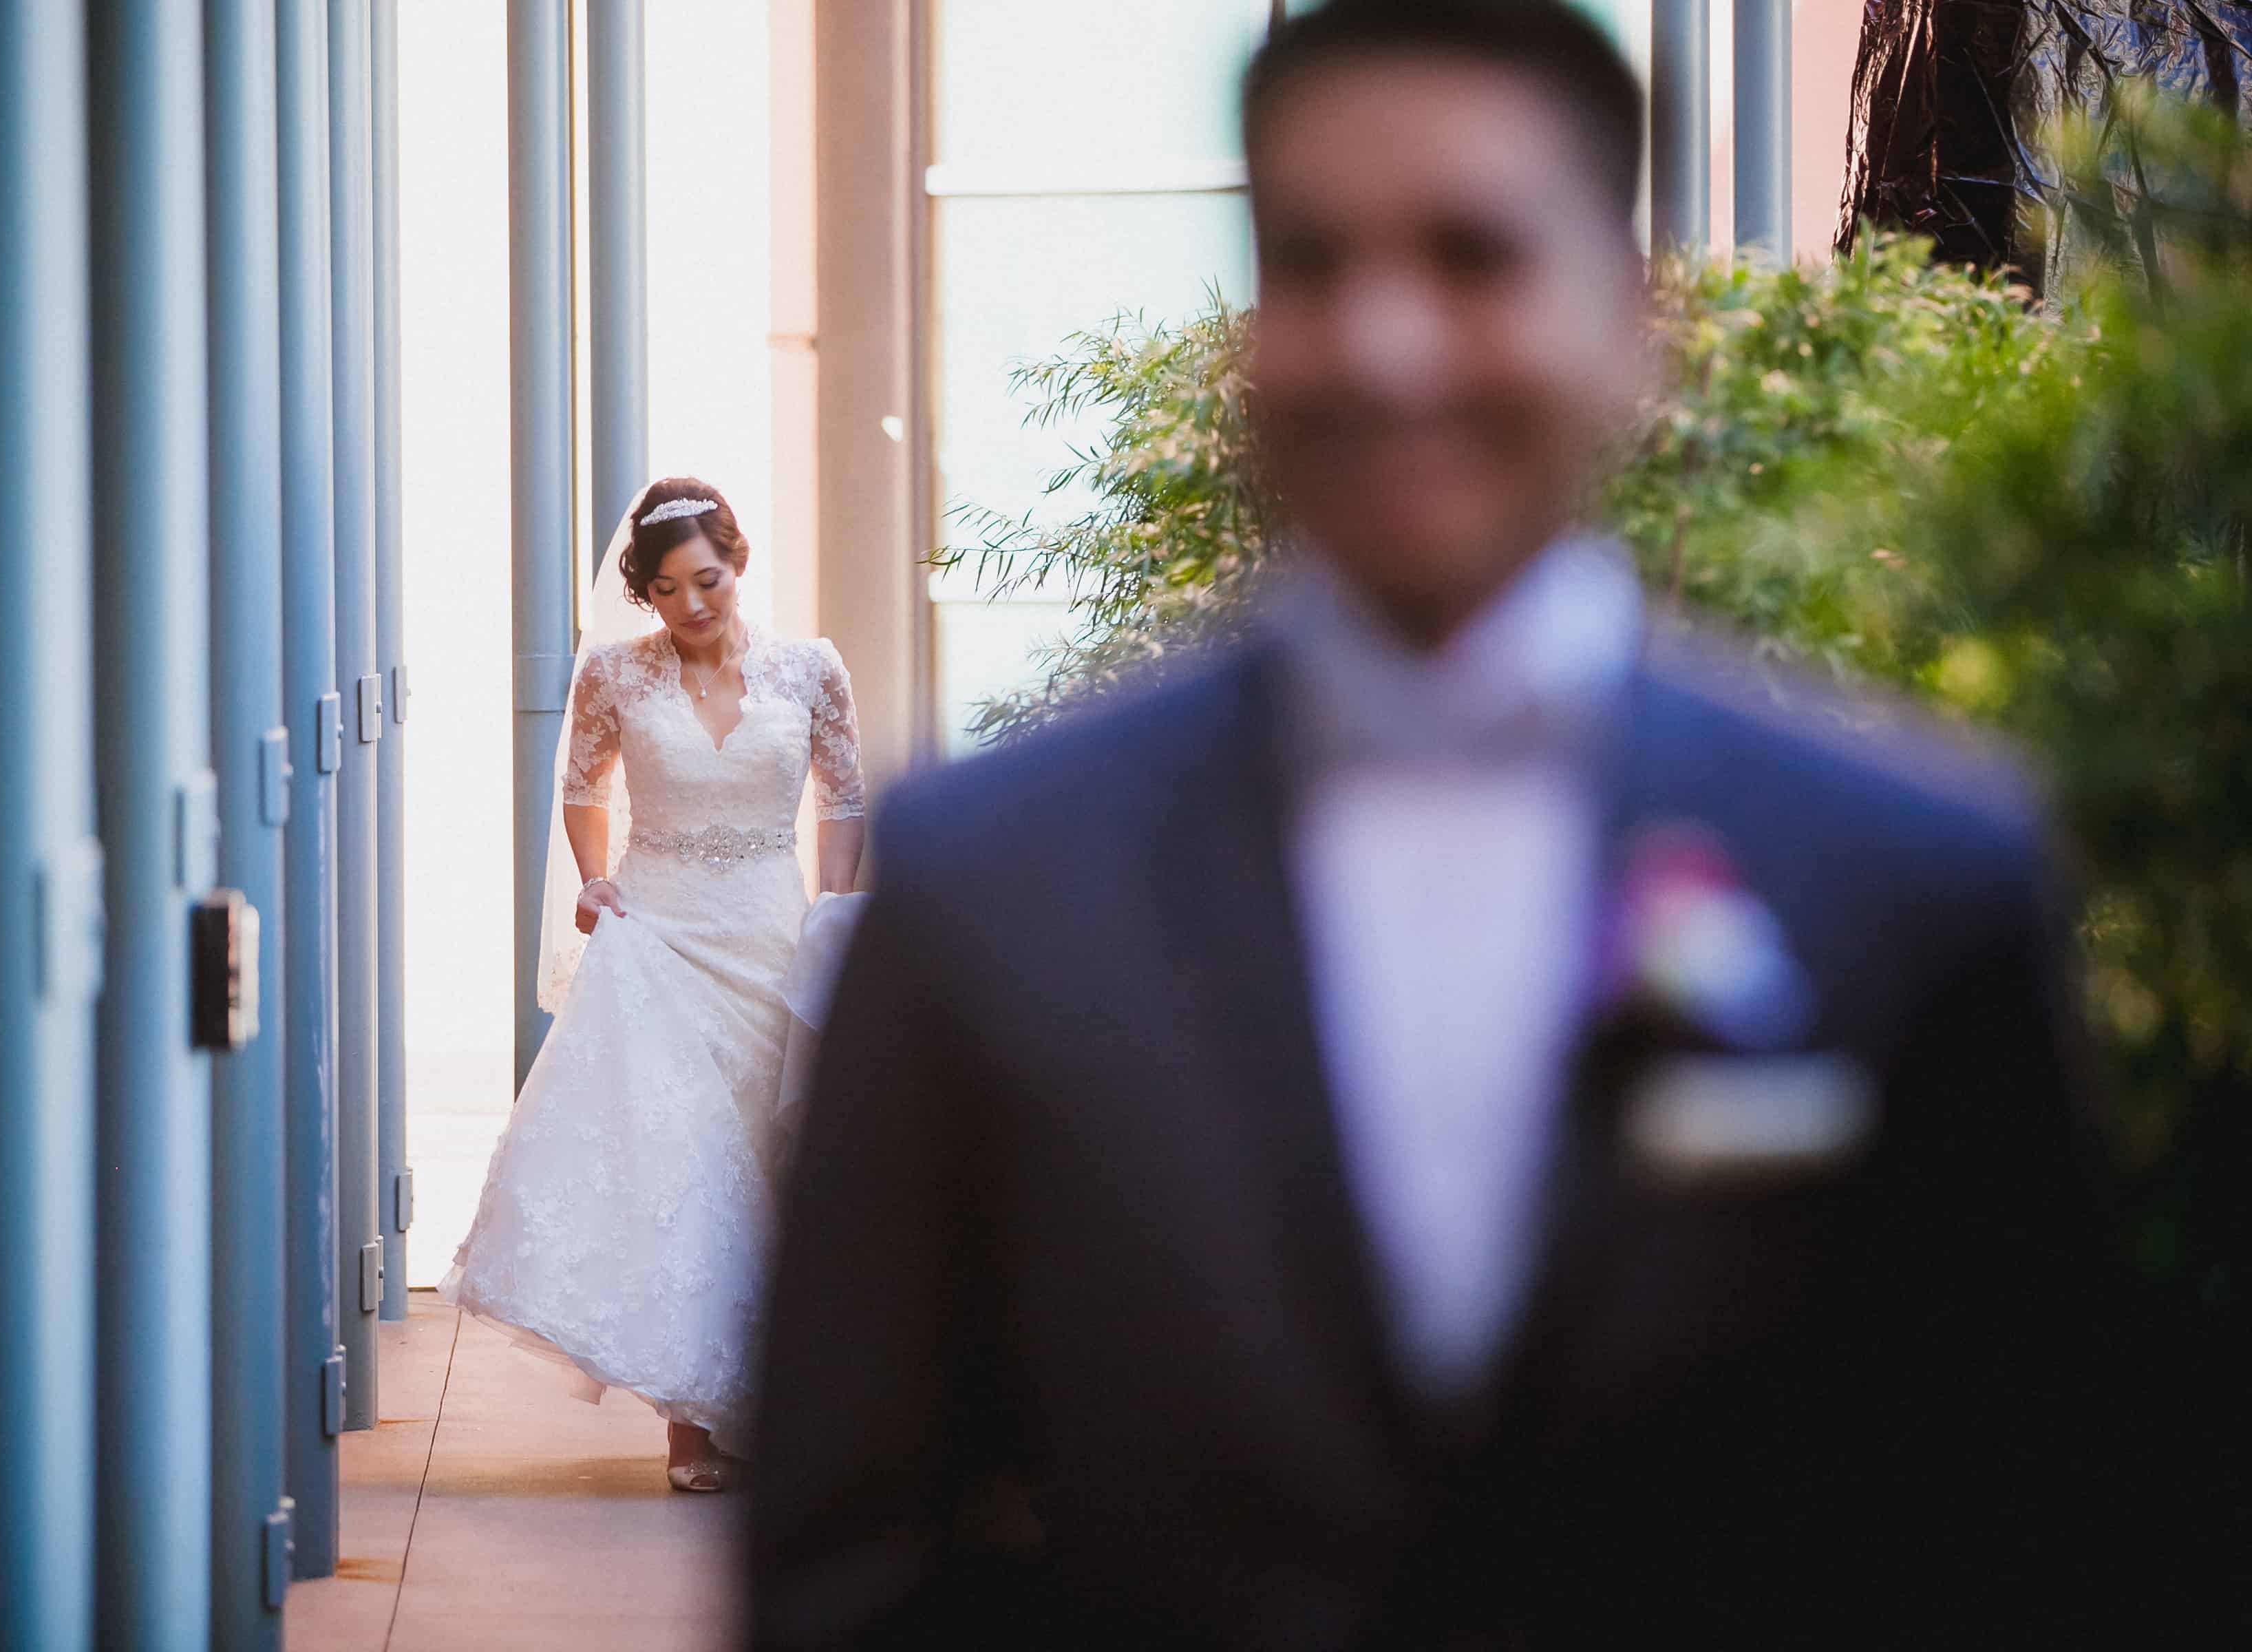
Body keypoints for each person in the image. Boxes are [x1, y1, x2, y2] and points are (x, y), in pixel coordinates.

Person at [747, 2, 2126, 1644]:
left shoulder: (1916, 877)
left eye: (1472, 257)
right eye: (1318, 263)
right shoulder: (984, 887)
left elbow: (2032, 1527)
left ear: (1631, 319)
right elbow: (851, 1561)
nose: (1386, 344)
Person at [443, 477, 865, 1494]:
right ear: (646, 597)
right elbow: (582, 787)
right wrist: (594, 879)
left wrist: (834, 910)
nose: (692, 606)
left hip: (769, 936)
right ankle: (691, 1421)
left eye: (707, 580)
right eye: (668, 590)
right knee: (683, 1170)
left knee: (770, 1164)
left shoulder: (811, 670)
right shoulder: (615, 677)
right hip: (659, 933)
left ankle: (780, 1400)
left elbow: (843, 795)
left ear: (738, 562)